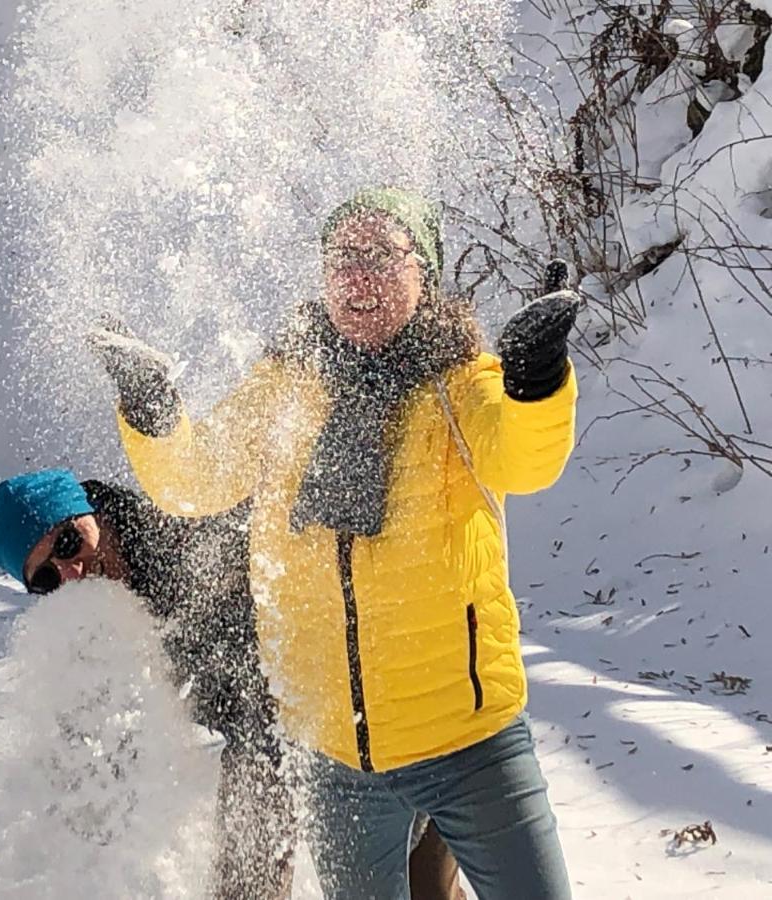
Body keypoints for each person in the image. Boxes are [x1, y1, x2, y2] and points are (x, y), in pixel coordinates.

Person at [86, 187, 579, 899]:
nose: (360, 277)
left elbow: (524, 461)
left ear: (425, 273)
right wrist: (153, 407)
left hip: (472, 743)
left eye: (383, 256)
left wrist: (534, 382)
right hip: (336, 758)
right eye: (344, 257)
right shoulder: (286, 386)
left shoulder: (461, 384)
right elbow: (197, 480)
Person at [0, 468, 469, 900]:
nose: (71, 572)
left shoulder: (182, 522)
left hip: (380, 689)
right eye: (45, 578)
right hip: (274, 727)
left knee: (421, 880)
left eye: (68, 543)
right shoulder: (91, 621)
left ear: (88, 513)